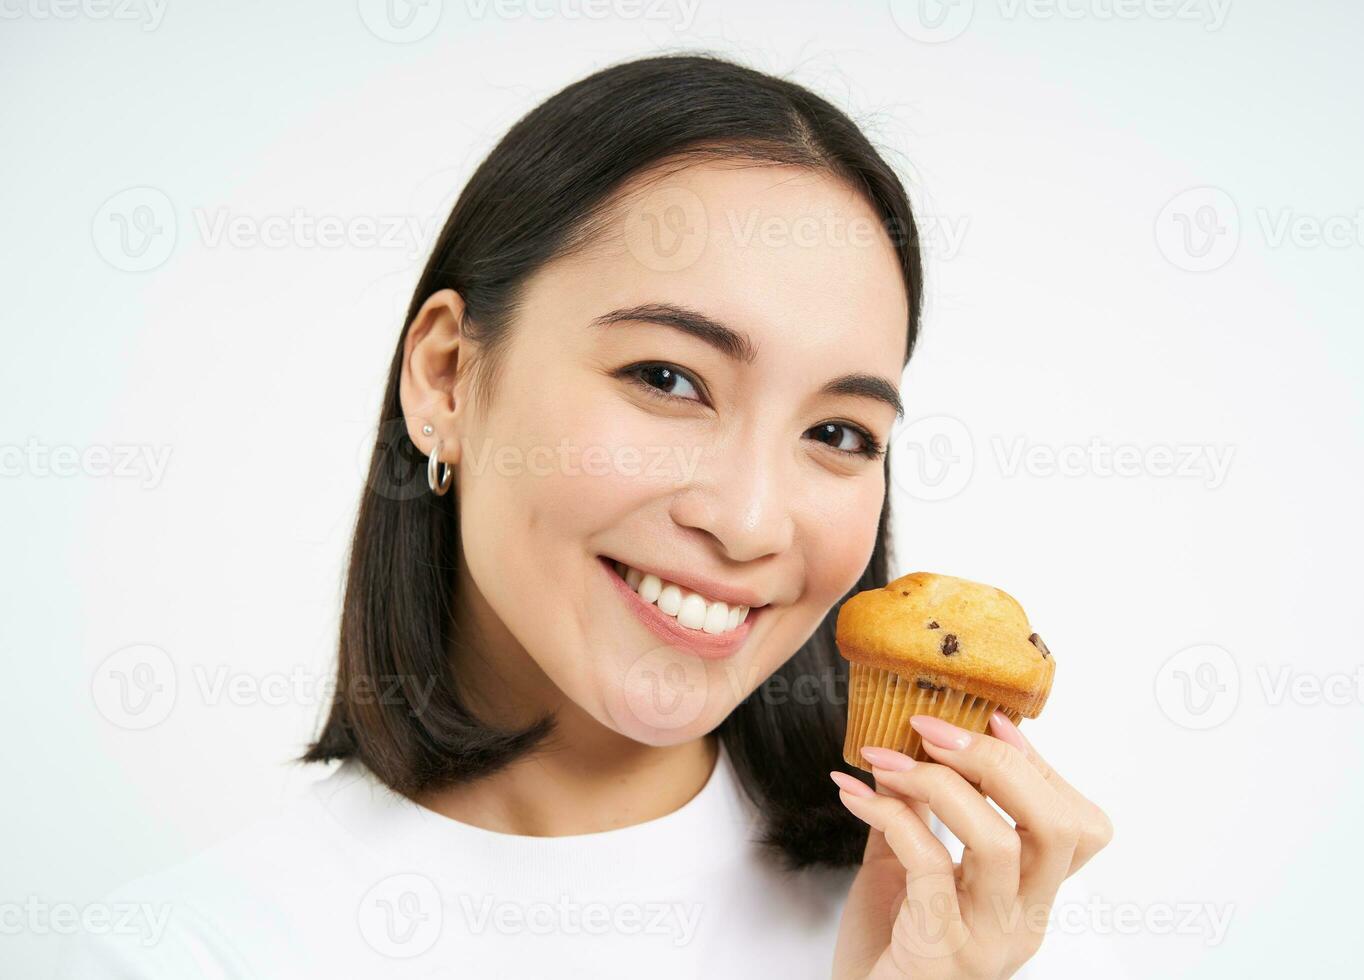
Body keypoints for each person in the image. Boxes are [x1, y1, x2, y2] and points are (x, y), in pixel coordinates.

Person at [59, 53, 1110, 979]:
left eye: (838, 433)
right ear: (445, 378)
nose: (750, 523)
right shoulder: (184, 955)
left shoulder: (952, 930)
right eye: (668, 375)